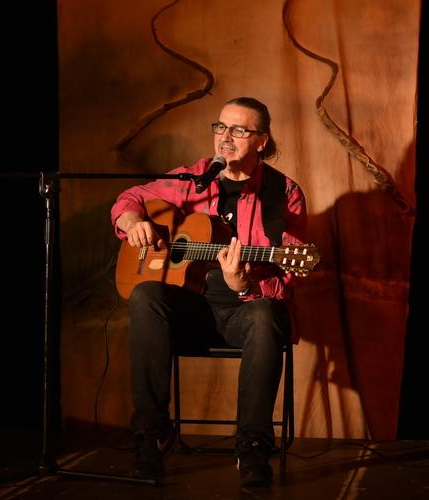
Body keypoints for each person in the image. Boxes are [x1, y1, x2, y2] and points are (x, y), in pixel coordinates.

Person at [110, 97, 307, 487]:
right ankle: (152, 434)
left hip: (244, 313)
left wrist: (246, 286)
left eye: (239, 130)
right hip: (192, 310)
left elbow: (292, 277)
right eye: (221, 127)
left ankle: (252, 445)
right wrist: (132, 221)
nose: (225, 137)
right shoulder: (193, 178)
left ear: (262, 140)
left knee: (265, 314)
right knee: (146, 294)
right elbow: (130, 199)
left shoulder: (283, 192)